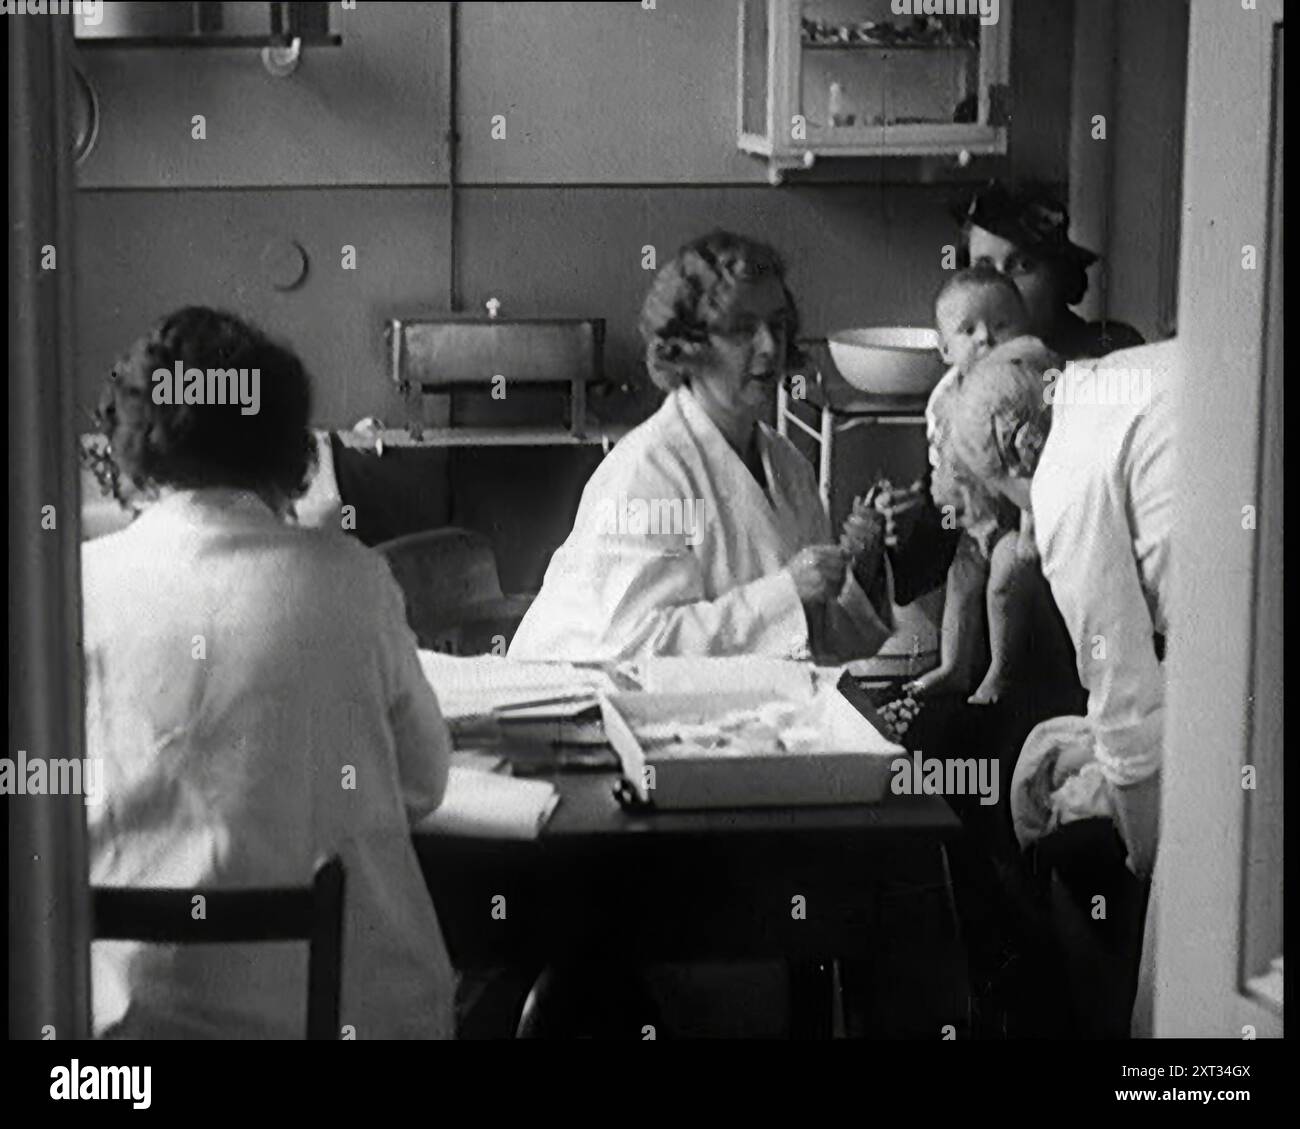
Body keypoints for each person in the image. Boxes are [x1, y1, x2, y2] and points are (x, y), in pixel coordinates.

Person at [84, 307, 457, 1039]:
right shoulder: (352, 579)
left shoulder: (70, 587)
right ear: (290, 446)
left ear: (134, 443)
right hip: (346, 1017)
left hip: (121, 1042)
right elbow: (424, 781)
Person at [509, 230, 892, 664]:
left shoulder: (788, 467)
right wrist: (786, 593)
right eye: (742, 329)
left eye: (778, 325)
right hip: (582, 708)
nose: (770, 346)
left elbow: (812, 643)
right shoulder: (649, 474)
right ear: (689, 345)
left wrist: (865, 569)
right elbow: (634, 649)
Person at [947, 335, 1177, 1033]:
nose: (1029, 526)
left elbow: (1125, 694)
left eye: (1012, 501)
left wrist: (1143, 850)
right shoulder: (1118, 380)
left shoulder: (1065, 473)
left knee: (1180, 990)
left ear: (1017, 455)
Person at [883, 180, 1145, 608]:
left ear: (1059, 275)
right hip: (998, 627)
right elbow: (946, 545)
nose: (997, 283)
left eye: (1021, 265)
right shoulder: (959, 388)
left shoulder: (1108, 353)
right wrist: (912, 523)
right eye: (982, 266)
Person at [906, 265, 1037, 704]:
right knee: (959, 586)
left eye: (1002, 325)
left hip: (1012, 519)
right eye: (968, 330)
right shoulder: (944, 397)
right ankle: (953, 666)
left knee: (1003, 581)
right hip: (971, 519)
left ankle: (1001, 672)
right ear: (945, 347)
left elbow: (1040, 465)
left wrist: (1032, 526)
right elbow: (938, 448)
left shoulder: (1025, 389)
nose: (986, 338)